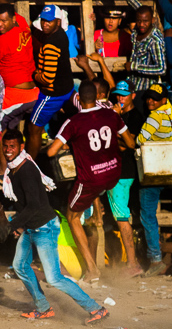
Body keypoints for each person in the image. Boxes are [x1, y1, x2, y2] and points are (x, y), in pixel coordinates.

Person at [3, 129, 109, 323]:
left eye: (12, 146)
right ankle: (43, 308)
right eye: (6, 146)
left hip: (44, 228)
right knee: (20, 266)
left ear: (21, 147)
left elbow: (34, 205)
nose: (8, 150)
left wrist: (11, 226)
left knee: (54, 278)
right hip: (30, 227)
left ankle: (96, 309)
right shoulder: (12, 169)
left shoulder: (27, 170)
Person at [46, 80, 136, 283]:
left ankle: (92, 268)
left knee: (72, 216)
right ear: (97, 98)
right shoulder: (112, 115)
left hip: (92, 178)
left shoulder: (74, 122)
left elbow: (52, 151)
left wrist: (69, 144)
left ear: (78, 99)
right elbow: (130, 143)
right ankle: (96, 213)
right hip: (114, 173)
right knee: (91, 202)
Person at [109, 81, 147, 277]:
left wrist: (114, 125)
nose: (120, 98)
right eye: (118, 95)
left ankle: (132, 263)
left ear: (133, 95)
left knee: (121, 217)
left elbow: (125, 146)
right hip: (117, 172)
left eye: (124, 95)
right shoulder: (120, 114)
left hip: (123, 173)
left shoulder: (134, 118)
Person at [27, 5, 75, 160]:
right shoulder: (61, 35)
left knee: (33, 128)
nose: (45, 24)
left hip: (52, 94)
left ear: (58, 21)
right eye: (43, 21)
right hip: (67, 88)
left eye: (49, 21)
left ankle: (29, 165)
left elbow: (47, 78)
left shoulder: (50, 45)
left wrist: (35, 74)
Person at [135, 83, 172, 277]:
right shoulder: (170, 111)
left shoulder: (155, 117)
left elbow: (140, 139)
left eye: (155, 98)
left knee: (148, 215)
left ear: (163, 99)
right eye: (149, 97)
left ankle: (156, 258)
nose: (151, 101)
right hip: (170, 169)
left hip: (154, 171)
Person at [0, 4, 37, 146]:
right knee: (10, 133)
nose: (0, 24)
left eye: (4, 21)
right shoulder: (23, 24)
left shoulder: (2, 40)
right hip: (33, 93)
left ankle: (0, 167)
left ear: (12, 19)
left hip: (15, 96)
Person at [127, 5, 166, 92]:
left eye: (145, 21)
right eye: (138, 21)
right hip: (132, 85)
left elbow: (161, 69)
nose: (141, 24)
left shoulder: (155, 40)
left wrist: (134, 66)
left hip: (145, 90)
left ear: (152, 20)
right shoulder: (136, 30)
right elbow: (137, 6)